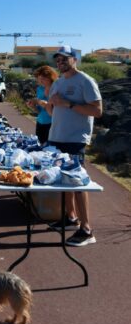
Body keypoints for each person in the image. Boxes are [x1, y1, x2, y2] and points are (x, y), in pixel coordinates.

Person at [47, 46, 102, 246]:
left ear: (74, 59)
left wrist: (67, 103)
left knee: (78, 183)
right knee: (63, 180)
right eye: (58, 60)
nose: (60, 62)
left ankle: (87, 229)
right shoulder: (58, 82)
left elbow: (97, 111)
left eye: (64, 59)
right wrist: (46, 105)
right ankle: (71, 217)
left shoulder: (86, 81)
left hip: (75, 139)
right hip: (57, 137)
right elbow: (54, 111)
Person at [27, 65, 58, 145]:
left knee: (51, 148)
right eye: (39, 79)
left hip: (53, 124)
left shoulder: (56, 89)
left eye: (43, 79)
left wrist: (45, 104)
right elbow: (39, 111)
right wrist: (33, 106)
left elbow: (59, 110)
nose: (40, 81)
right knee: (40, 146)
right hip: (40, 123)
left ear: (50, 77)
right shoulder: (40, 89)